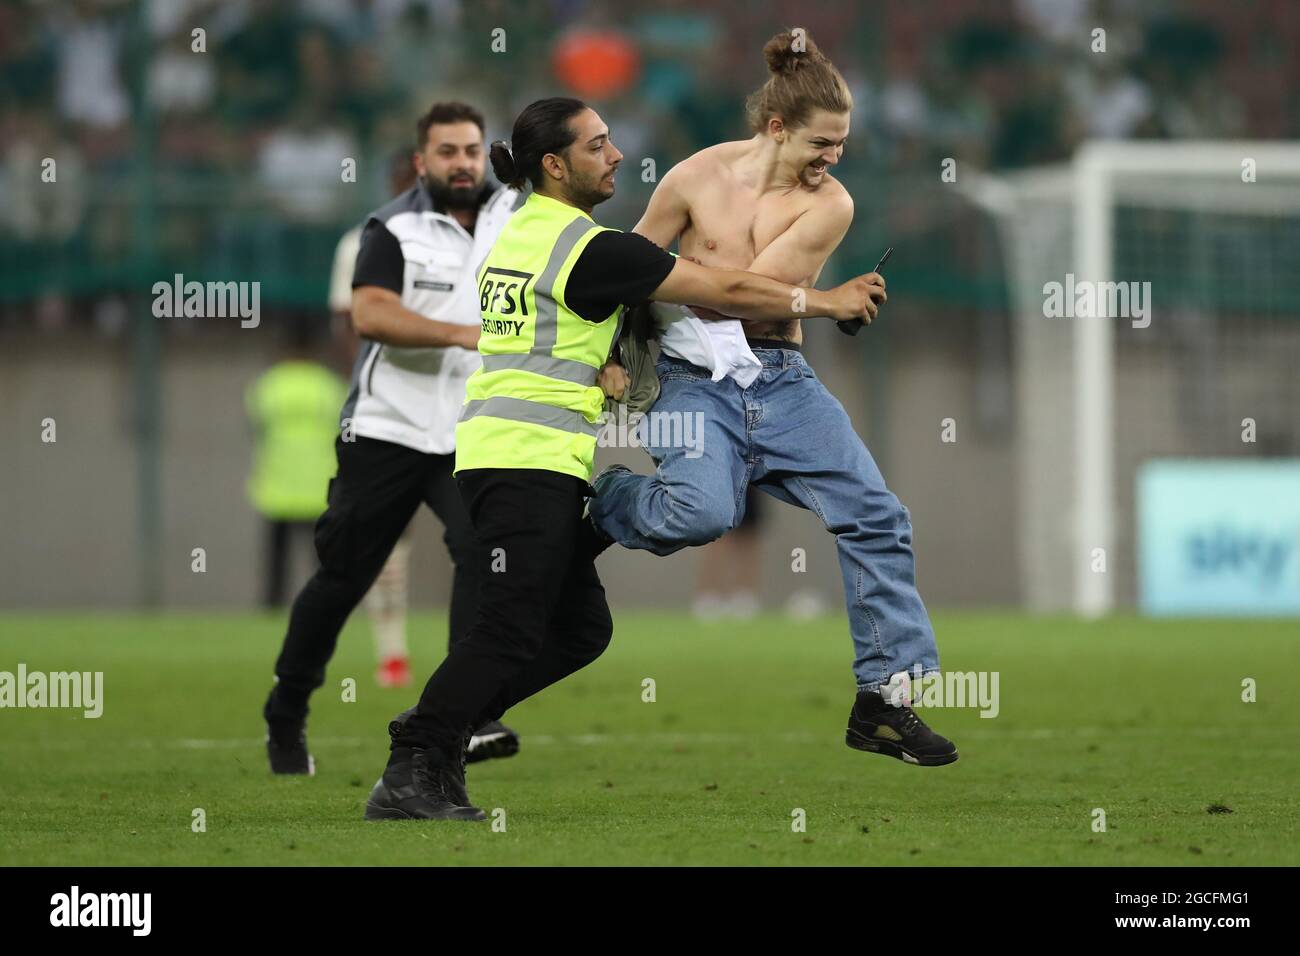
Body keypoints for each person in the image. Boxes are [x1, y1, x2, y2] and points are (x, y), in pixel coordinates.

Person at [362, 96, 881, 821]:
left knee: (580, 632)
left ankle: (435, 743)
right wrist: (827, 302)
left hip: (509, 452)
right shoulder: (590, 249)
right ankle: (416, 758)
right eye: (599, 145)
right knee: (510, 629)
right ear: (555, 164)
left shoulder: (520, 232)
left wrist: (605, 365)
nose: (616, 156)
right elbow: (726, 289)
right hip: (524, 459)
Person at [588, 32, 958, 767]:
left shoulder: (833, 204)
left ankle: (885, 700)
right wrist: (609, 360)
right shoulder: (692, 176)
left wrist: (816, 302)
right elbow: (631, 273)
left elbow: (745, 298)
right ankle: (603, 503)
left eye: (844, 143)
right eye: (824, 142)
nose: (835, 159)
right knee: (703, 513)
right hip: (688, 381)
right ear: (778, 128)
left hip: (779, 378)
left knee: (877, 516)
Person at [262, 101, 521, 775]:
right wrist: (462, 333)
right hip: (387, 427)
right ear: (421, 161)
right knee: (345, 575)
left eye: (471, 150)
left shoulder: (516, 219)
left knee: (480, 550)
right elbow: (371, 315)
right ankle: (286, 711)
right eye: (447, 152)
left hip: (470, 430)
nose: (461, 163)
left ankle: (465, 716)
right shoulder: (389, 228)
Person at [328, 148, 420, 689]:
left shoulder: (477, 242)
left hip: (461, 403)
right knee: (389, 531)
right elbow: (350, 325)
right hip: (389, 408)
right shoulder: (361, 242)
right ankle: (392, 651)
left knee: (484, 531)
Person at [245, 319, 348, 610]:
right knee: (320, 559)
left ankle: (271, 608)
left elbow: (256, 426)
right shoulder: (329, 386)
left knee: (277, 559)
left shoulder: (268, 385)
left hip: (278, 485)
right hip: (318, 486)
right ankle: (325, 608)